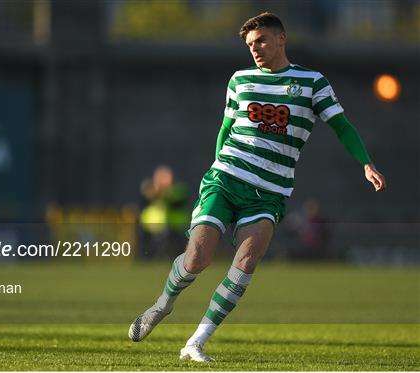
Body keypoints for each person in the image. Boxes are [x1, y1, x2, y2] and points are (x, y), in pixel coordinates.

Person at [128, 12, 387, 362]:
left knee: (246, 261)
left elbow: (342, 126)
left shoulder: (311, 82)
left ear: (281, 38)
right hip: (226, 179)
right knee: (197, 258)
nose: (256, 49)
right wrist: (218, 165)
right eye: (251, 45)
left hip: (270, 191)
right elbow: (225, 129)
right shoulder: (240, 80)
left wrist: (366, 162)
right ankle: (163, 305)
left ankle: (195, 342)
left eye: (262, 41)